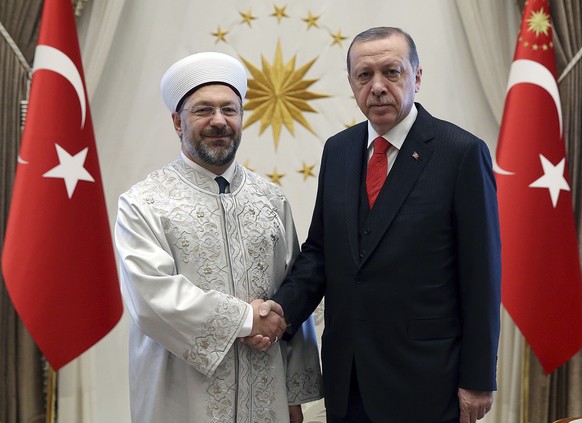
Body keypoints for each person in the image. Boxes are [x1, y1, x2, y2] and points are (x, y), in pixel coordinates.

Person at [257, 27, 501, 423]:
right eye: (364, 75)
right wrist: (280, 313)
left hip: (427, 379)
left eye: (392, 72)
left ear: (416, 77)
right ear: (351, 83)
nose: (378, 87)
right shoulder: (338, 151)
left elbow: (482, 277)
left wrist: (478, 379)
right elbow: (320, 252)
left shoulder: (461, 154)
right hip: (347, 376)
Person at [114, 51, 322, 423]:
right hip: (180, 397)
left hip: (266, 394)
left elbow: (294, 297)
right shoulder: (144, 202)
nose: (218, 121)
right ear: (177, 122)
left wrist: (295, 394)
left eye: (230, 110)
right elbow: (152, 298)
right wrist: (246, 319)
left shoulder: (271, 199)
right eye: (203, 110)